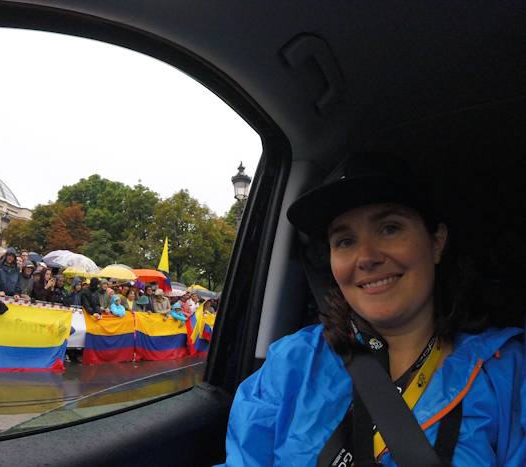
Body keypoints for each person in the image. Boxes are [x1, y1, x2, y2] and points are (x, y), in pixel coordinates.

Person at [222, 154, 526, 466]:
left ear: (436, 242)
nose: (366, 257)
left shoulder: (509, 374)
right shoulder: (290, 364)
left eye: (389, 228)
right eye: (345, 241)